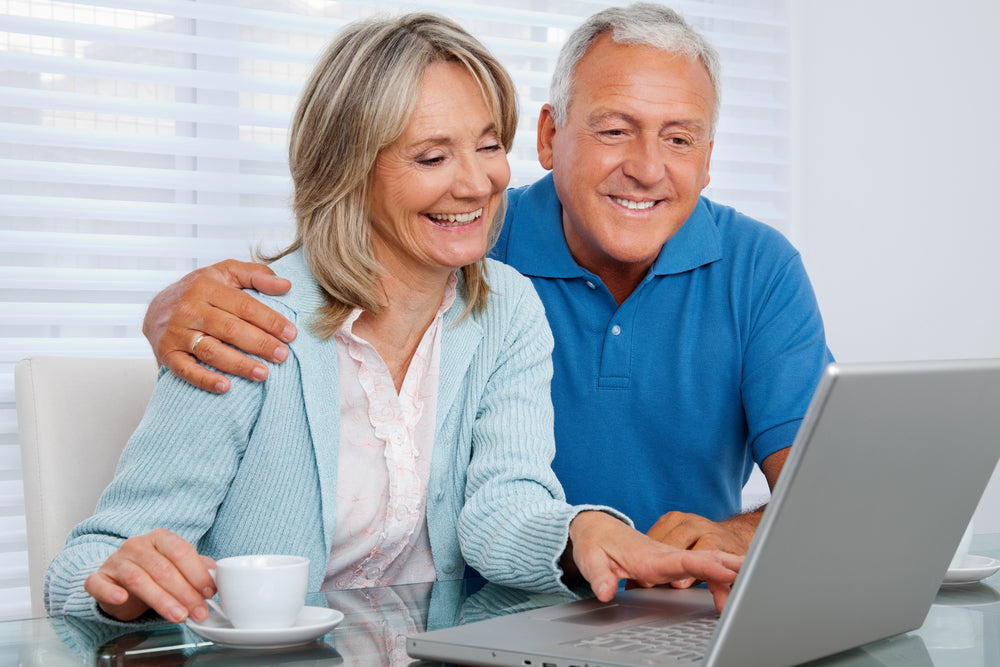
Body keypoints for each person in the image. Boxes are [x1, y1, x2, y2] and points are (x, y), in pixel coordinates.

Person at [46, 13, 744, 626]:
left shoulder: (505, 308)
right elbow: (89, 561)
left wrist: (581, 531)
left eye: (488, 144)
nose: (476, 183)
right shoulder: (248, 321)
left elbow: (502, 502)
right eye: (432, 156)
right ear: (349, 168)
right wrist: (118, 583)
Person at [141, 4, 833, 561]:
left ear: (709, 159)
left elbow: (829, 493)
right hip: (479, 619)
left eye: (679, 139)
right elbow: (339, 257)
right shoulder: (468, 240)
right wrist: (171, 308)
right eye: (615, 130)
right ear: (549, 135)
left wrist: (732, 535)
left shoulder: (759, 270)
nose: (647, 167)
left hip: (672, 605)